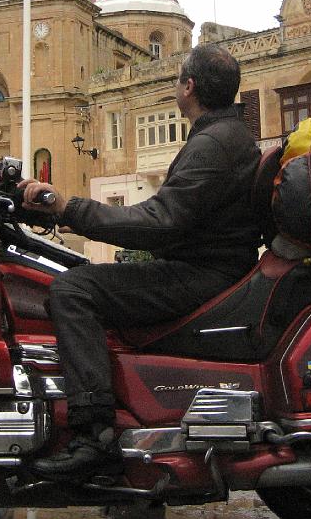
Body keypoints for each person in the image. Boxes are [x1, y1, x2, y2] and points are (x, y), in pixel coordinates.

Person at [20, 45, 261, 481]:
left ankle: (95, 435)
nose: (175, 88)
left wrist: (68, 208)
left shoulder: (213, 143)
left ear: (188, 86)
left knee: (72, 289)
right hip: (209, 264)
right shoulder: (225, 135)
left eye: (177, 80)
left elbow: (159, 221)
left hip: (200, 274)